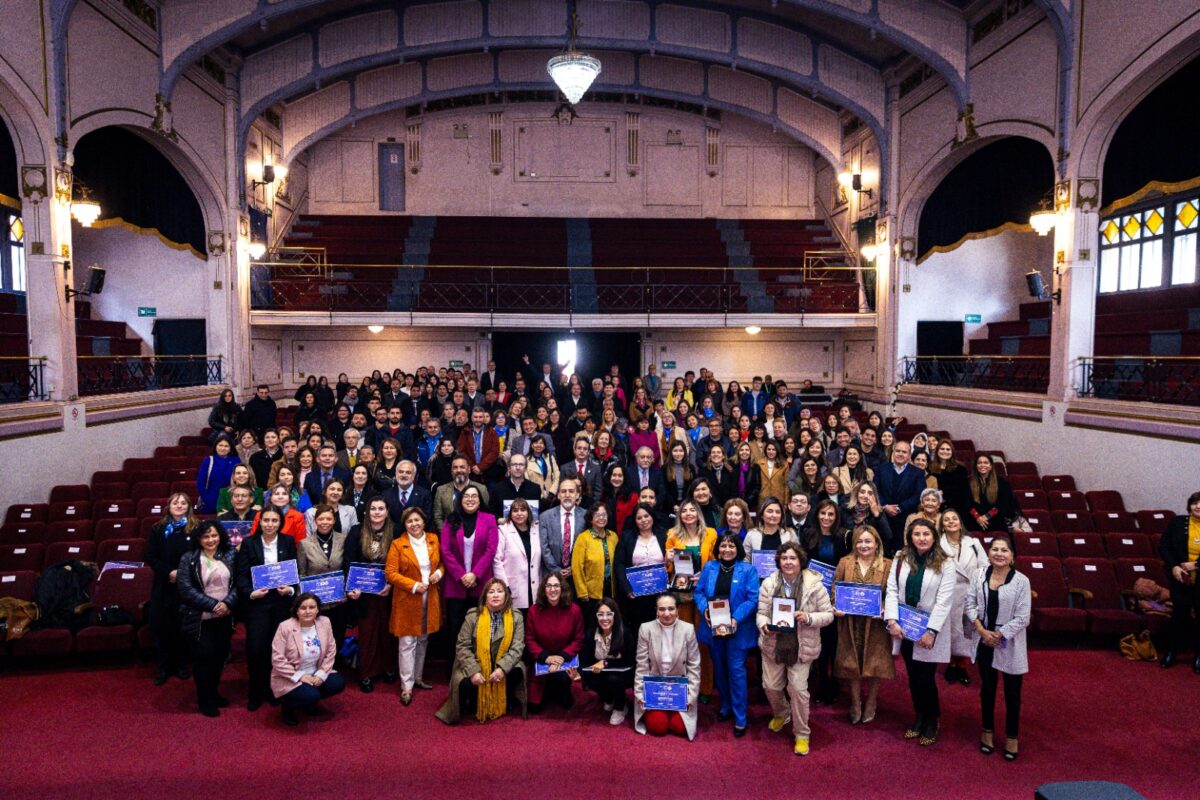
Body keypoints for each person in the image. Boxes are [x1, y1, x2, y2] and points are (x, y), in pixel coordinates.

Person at [756, 542, 834, 756]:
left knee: (798, 691)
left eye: (792, 558)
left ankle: (802, 734)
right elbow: (761, 612)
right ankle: (782, 712)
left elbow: (828, 615)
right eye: (784, 558)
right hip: (773, 644)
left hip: (802, 646)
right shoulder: (769, 584)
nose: (788, 562)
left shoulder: (815, 585)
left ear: (801, 561)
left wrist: (808, 617)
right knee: (770, 686)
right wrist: (764, 625)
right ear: (779, 561)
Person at [885, 518, 956, 746]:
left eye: (926, 534)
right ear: (910, 537)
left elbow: (944, 602)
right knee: (913, 676)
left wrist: (932, 631)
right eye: (917, 534)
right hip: (905, 628)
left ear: (934, 537)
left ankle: (932, 719)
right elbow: (892, 590)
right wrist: (892, 621)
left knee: (926, 677)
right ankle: (919, 716)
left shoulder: (946, 563)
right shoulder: (900, 557)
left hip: (928, 631)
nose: (922, 538)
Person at [966, 534, 1031, 761]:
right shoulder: (978, 575)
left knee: (1012, 693)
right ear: (989, 552)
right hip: (984, 640)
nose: (999, 554)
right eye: (995, 549)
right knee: (987, 690)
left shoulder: (1021, 581)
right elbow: (970, 604)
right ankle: (987, 732)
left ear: (1012, 556)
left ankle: (1012, 737)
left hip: (1009, 642)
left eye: (1004, 550)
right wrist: (982, 631)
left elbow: (1023, 618)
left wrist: (999, 634)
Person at [694, 532, 761, 736]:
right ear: (718, 549)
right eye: (723, 545)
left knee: (736, 672)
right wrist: (705, 608)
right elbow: (699, 592)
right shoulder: (710, 567)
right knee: (720, 670)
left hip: (737, 630)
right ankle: (726, 706)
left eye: (731, 546)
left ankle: (740, 716)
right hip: (713, 628)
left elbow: (753, 598)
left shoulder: (748, 570)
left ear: (738, 548)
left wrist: (735, 618)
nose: (727, 549)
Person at [436, 578, 527, 724]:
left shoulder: (516, 617)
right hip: (477, 664)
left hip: (501, 664)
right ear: (485, 597)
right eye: (491, 592)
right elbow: (462, 645)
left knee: (516, 670)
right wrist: (474, 671)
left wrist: (502, 669)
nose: (496, 595)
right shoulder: (473, 616)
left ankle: (505, 698)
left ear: (506, 595)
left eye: (500, 591)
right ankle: (473, 700)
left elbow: (518, 647)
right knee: (464, 682)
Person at [235, 508, 298, 710]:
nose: (270, 524)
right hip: (257, 603)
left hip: (281, 603)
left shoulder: (287, 542)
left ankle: (274, 689)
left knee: (278, 649)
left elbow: (294, 570)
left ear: (280, 523)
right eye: (266, 520)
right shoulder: (248, 543)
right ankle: (255, 691)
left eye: (274, 520)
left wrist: (290, 589)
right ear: (260, 522)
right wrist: (250, 593)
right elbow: (241, 575)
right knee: (256, 648)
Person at [832, 525, 894, 725]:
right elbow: (835, 588)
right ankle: (856, 702)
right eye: (859, 541)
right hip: (849, 621)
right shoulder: (845, 562)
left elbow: (893, 594)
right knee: (852, 661)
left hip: (874, 623)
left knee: (875, 662)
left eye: (868, 541)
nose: (863, 545)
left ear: (877, 544)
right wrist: (836, 605)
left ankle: (872, 700)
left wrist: (884, 608)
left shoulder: (887, 564)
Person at [176, 520, 238, 717]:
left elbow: (239, 583)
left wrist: (227, 603)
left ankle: (214, 692)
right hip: (199, 618)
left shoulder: (230, 554)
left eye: (214, 535)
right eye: (206, 537)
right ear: (199, 539)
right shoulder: (189, 558)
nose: (211, 540)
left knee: (220, 657)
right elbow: (185, 589)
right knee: (204, 658)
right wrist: (212, 605)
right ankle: (204, 699)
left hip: (225, 615)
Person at [385, 507, 443, 705]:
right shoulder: (397, 544)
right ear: (405, 524)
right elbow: (390, 573)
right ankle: (406, 686)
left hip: (431, 597)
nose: (414, 524)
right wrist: (414, 585)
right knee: (407, 642)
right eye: (410, 521)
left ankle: (418, 677)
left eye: (417, 520)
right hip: (408, 600)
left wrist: (440, 573)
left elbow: (441, 564)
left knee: (423, 638)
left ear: (424, 521)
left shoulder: (434, 539)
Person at [440, 485, 500, 663]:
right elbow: (445, 550)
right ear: (460, 499)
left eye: (474, 496)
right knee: (456, 627)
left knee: (480, 627)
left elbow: (491, 550)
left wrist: (475, 574)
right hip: (455, 584)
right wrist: (462, 575)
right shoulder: (450, 521)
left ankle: (480, 665)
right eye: (466, 496)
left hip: (480, 584)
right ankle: (454, 668)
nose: (470, 499)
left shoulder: (489, 519)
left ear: (480, 500)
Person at [665, 499, 717, 702]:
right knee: (683, 642)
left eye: (692, 510)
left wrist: (703, 575)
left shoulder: (711, 534)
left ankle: (705, 687)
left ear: (698, 514)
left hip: (704, 594)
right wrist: (667, 560)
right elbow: (668, 569)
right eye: (684, 510)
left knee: (703, 641)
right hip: (682, 595)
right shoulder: (672, 535)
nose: (688, 513)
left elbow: (716, 562)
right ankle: (684, 684)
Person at [343, 497, 397, 693]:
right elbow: (348, 560)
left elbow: (401, 562)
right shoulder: (357, 531)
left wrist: (391, 584)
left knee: (387, 631)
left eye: (380, 508)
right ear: (367, 512)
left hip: (387, 592)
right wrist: (351, 586)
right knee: (367, 633)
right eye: (372, 508)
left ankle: (388, 668)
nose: (376, 512)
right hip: (363, 594)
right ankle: (366, 673)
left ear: (387, 511)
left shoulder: (396, 530)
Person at [146, 493, 200, 685]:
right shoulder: (158, 529)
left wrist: (182, 573)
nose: (179, 505)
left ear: (188, 506)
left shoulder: (195, 529)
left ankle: (182, 665)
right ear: (168, 506)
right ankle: (163, 667)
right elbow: (151, 557)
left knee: (183, 627)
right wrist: (169, 572)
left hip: (187, 585)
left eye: (183, 502)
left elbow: (199, 555)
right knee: (163, 627)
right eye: (175, 502)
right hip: (163, 584)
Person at [270, 592, 347, 726]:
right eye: (303, 608)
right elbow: (277, 659)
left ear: (318, 609)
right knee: (311, 695)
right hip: (291, 675)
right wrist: (300, 676)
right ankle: (288, 707)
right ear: (296, 610)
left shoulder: (325, 622)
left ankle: (309, 700)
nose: (307, 611)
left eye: (312, 607)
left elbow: (331, 650)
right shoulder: (285, 627)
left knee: (338, 683)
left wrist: (321, 673)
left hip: (315, 670)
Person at [633, 593, 702, 739]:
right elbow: (642, 665)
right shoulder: (645, 629)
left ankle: (675, 712)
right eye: (662, 609)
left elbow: (694, 666)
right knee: (658, 727)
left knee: (680, 727)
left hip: (680, 690)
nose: (666, 613)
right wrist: (640, 694)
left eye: (671, 609)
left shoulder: (688, 629)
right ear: (656, 611)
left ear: (677, 610)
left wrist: (690, 697)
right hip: (654, 690)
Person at [525, 572, 585, 712]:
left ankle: (560, 690)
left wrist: (561, 657)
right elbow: (530, 639)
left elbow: (578, 639)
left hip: (564, 660)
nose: (553, 589)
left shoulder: (574, 610)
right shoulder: (534, 611)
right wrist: (546, 658)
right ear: (543, 589)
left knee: (565, 699)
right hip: (541, 660)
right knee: (534, 708)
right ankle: (546, 690)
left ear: (562, 588)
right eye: (549, 586)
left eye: (556, 586)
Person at [940, 508, 987, 685]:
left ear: (960, 522)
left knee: (968, 630)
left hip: (971, 593)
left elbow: (984, 566)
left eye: (954, 518)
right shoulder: (938, 545)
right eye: (946, 520)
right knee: (952, 631)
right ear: (942, 526)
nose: (951, 522)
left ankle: (963, 666)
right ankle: (951, 665)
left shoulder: (973, 543)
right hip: (950, 594)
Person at [572, 598, 636, 725]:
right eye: (600, 614)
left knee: (614, 679)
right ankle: (609, 698)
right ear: (596, 616)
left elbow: (630, 661)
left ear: (615, 615)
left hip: (623, 675)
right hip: (601, 674)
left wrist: (606, 663)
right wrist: (579, 673)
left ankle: (620, 707)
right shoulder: (591, 634)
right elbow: (584, 659)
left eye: (609, 614)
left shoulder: (625, 633)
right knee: (590, 680)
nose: (604, 618)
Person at [297, 504, 351, 652]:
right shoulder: (305, 544)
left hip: (339, 600)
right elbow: (301, 573)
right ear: (315, 521)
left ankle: (334, 666)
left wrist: (346, 590)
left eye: (329, 518)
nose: (325, 522)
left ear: (334, 520)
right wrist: (305, 599)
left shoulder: (345, 539)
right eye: (321, 519)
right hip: (315, 602)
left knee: (337, 635)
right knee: (317, 638)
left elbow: (347, 567)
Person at [1158, 491, 1200, 671]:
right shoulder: (1177, 522)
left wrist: (1197, 565)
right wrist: (1174, 566)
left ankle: (1198, 657)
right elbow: (1164, 546)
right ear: (1189, 505)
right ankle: (1170, 653)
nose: (1198, 506)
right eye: (1195, 503)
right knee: (1179, 616)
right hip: (1181, 578)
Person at [614, 502, 669, 632]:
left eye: (646, 516)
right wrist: (626, 589)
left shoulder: (664, 535)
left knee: (661, 629)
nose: (644, 520)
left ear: (652, 516)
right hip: (636, 595)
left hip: (661, 593)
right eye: (639, 518)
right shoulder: (627, 537)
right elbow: (619, 564)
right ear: (635, 521)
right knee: (640, 630)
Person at [493, 497, 542, 612]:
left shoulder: (537, 529)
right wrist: (504, 585)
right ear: (510, 514)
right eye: (515, 510)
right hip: (513, 589)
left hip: (535, 588)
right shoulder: (503, 530)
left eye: (523, 510)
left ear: (528, 512)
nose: (519, 513)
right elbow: (496, 560)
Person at [571, 503, 618, 619]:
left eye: (604, 515)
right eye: (597, 515)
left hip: (611, 589)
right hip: (591, 592)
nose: (601, 518)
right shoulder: (583, 538)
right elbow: (577, 567)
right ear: (591, 518)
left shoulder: (613, 536)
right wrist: (582, 592)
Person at [539, 478, 586, 576]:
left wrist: (575, 567)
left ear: (577, 495)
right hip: (552, 575)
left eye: (571, 491)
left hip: (578, 574)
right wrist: (556, 570)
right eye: (563, 491)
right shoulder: (545, 517)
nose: (567, 495)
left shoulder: (586, 516)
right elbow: (544, 548)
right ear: (558, 495)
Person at [964, 454, 1020, 533]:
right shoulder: (968, 482)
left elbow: (1002, 504)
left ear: (990, 466)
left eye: (986, 463)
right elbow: (967, 503)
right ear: (976, 466)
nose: (982, 465)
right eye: (979, 463)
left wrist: (986, 517)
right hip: (974, 521)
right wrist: (978, 517)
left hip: (996, 521)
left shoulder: (1001, 482)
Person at [875, 441, 926, 525]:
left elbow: (919, 494)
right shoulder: (881, 469)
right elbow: (874, 490)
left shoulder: (918, 472)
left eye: (904, 452)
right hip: (883, 517)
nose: (900, 454)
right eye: (898, 451)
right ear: (893, 452)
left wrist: (900, 508)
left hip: (907, 518)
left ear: (909, 455)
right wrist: (885, 506)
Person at [743, 496, 800, 571]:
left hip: (783, 579)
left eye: (777, 512)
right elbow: (745, 560)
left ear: (781, 516)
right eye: (770, 511)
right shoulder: (752, 534)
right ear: (762, 515)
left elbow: (798, 558)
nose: (774, 515)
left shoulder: (789, 534)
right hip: (757, 580)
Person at [196, 435, 240, 514]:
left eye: (226, 446)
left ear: (230, 448)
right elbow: (200, 483)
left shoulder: (236, 460)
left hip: (231, 500)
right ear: (215, 446)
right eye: (220, 445)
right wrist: (206, 499)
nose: (223, 448)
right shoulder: (208, 460)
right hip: (211, 500)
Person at [756, 440, 789, 505]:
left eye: (773, 450)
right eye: (769, 449)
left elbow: (786, 485)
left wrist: (786, 503)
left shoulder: (784, 464)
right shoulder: (759, 463)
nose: (771, 452)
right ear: (765, 450)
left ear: (777, 451)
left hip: (778, 499)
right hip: (762, 499)